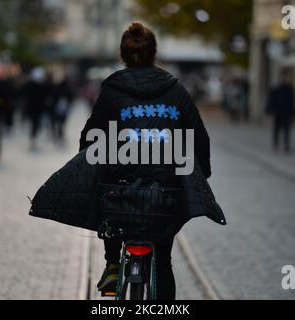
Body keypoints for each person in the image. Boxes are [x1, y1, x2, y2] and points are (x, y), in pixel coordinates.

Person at [78, 22, 218, 300]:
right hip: (165, 190)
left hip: (120, 187)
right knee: (163, 261)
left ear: (123, 54)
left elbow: (90, 136)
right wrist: (204, 170)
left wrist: (89, 161)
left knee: (111, 215)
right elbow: (199, 137)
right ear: (154, 53)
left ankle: (113, 264)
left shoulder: (112, 88)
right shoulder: (175, 90)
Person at [266, 71, 295, 153]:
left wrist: (293, 113)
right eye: (285, 77)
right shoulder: (277, 88)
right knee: (276, 129)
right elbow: (271, 100)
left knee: (287, 130)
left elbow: (292, 102)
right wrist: (271, 110)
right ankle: (276, 143)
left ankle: (286, 145)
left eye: (287, 77)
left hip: (286, 113)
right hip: (278, 112)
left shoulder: (290, 89)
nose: (286, 79)